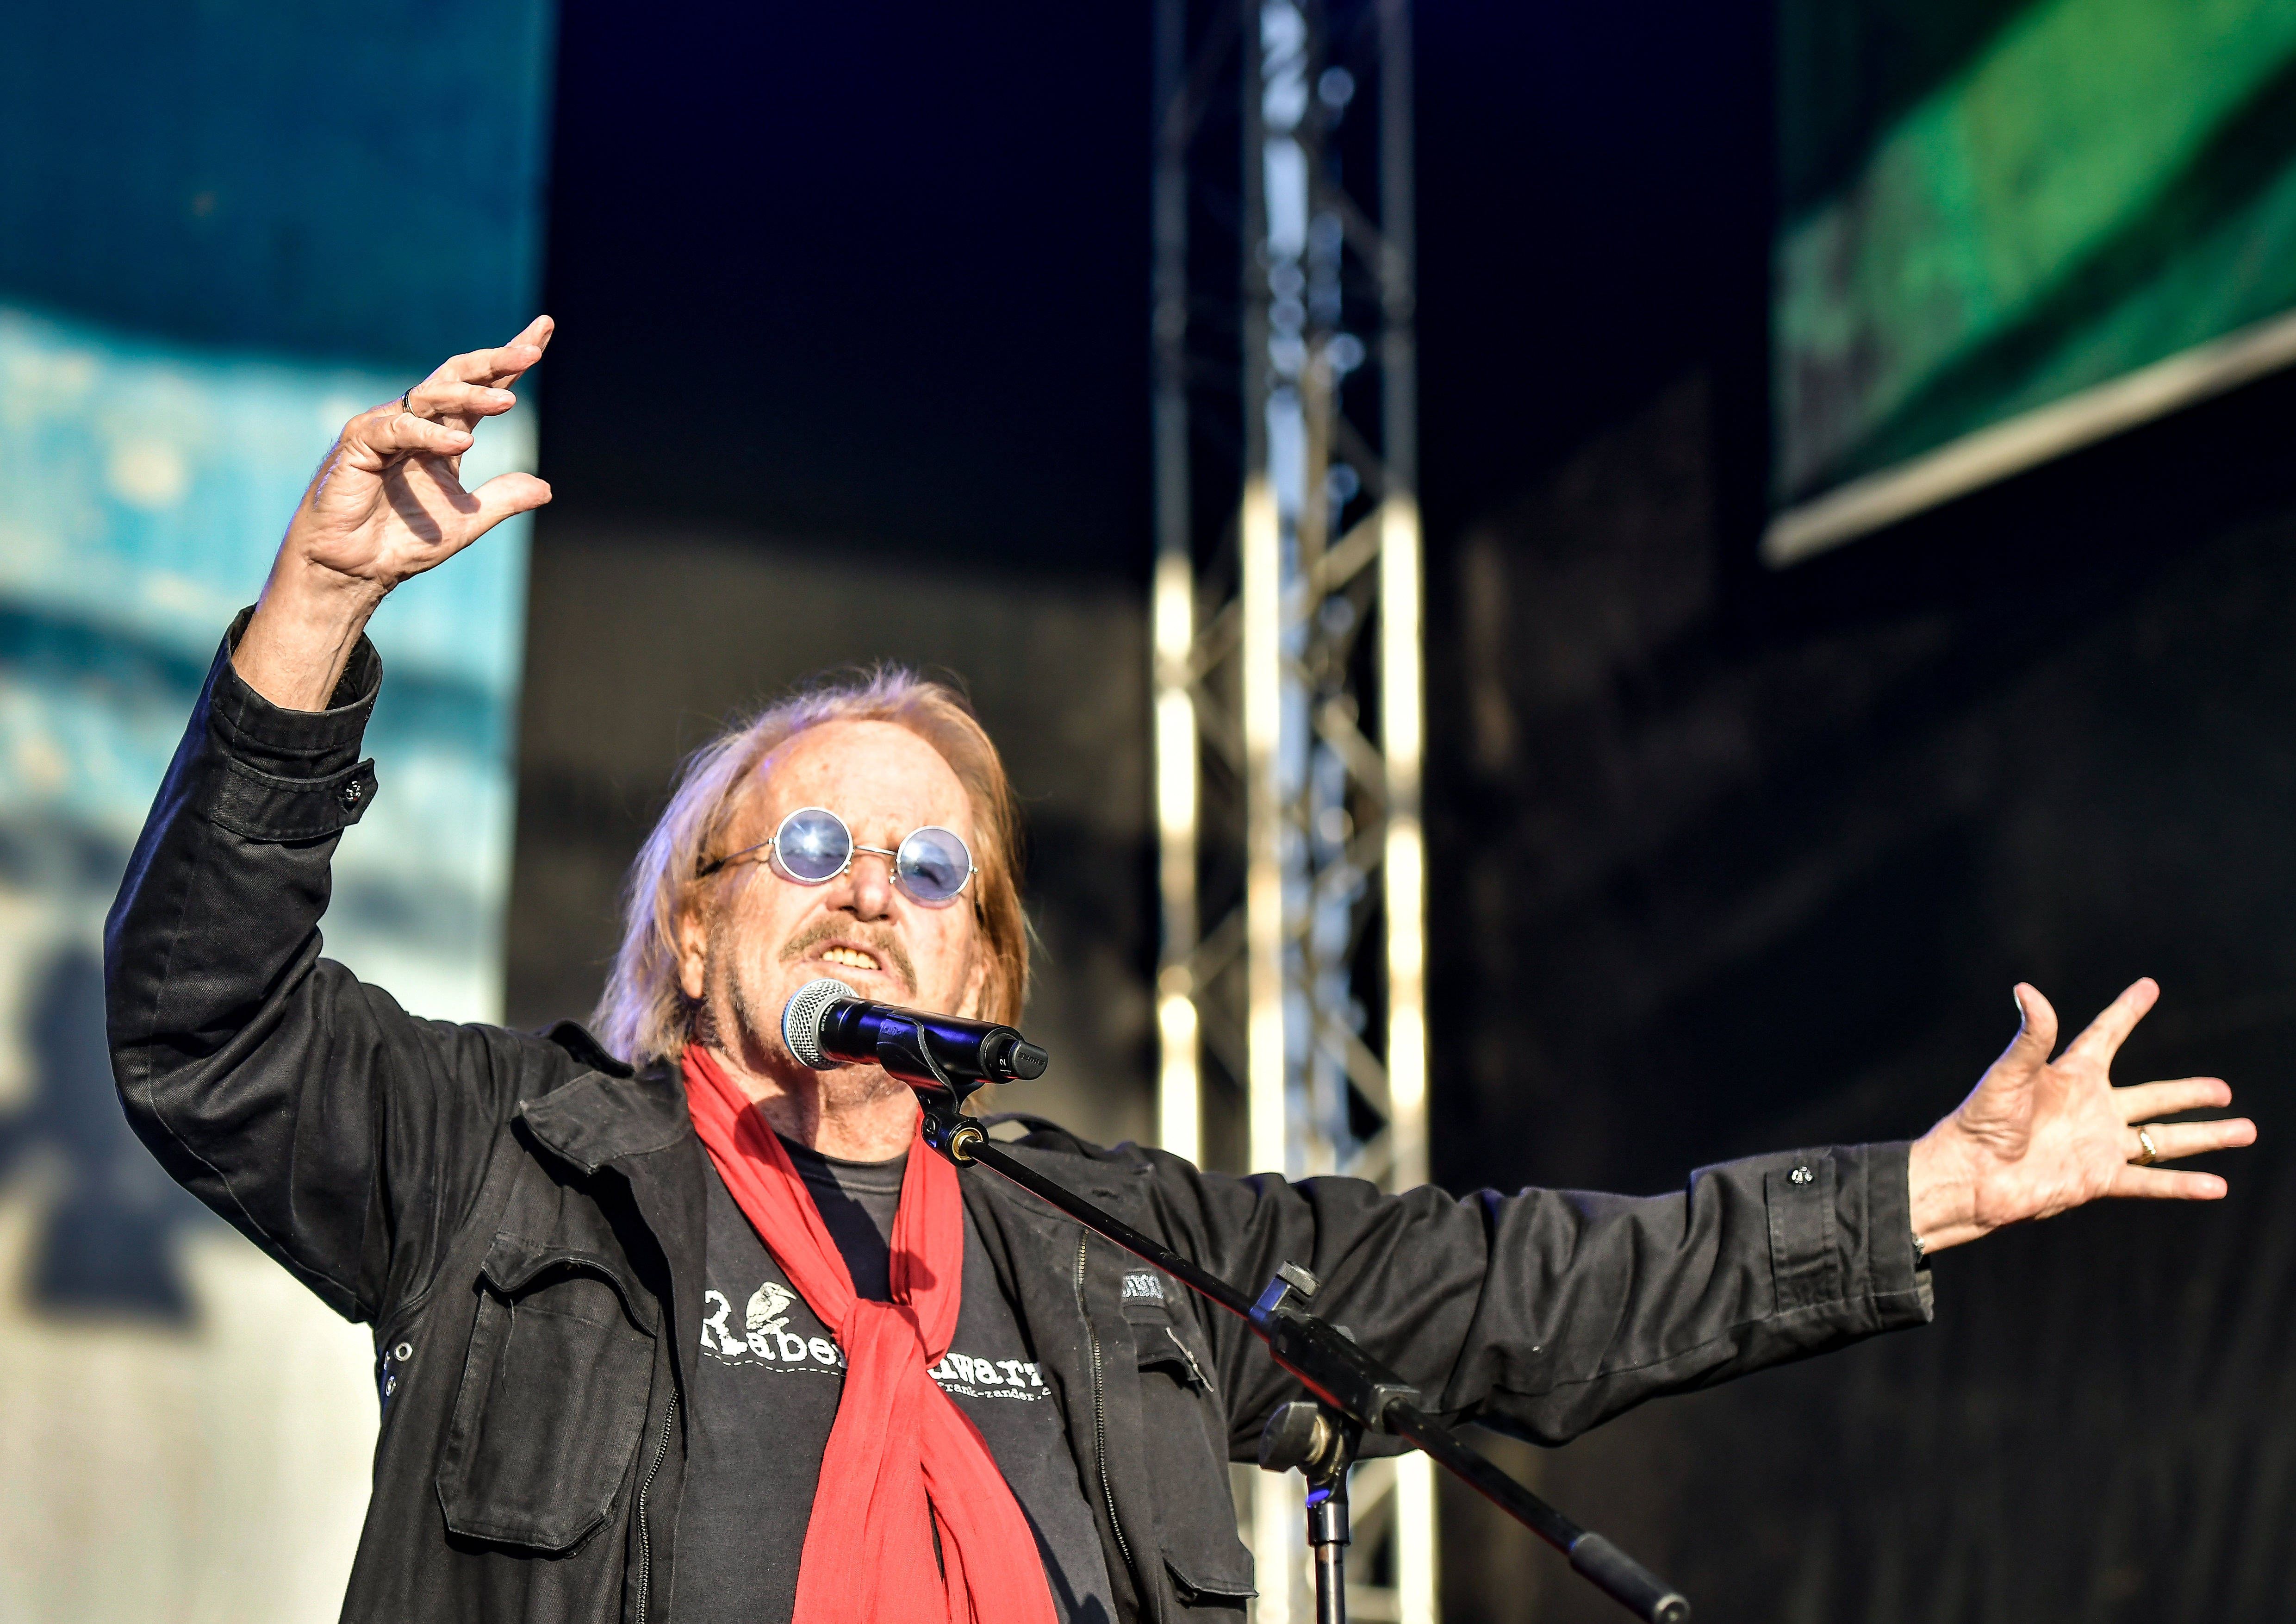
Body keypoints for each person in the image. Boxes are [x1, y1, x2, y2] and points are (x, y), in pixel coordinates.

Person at [106, 317, 2256, 1624]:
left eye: (928, 863)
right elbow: (204, 1026)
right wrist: (310, 623)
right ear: (691, 917)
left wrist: (1921, 1193)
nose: (869, 890)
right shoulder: (502, 1165)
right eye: (815, 845)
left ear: (985, 950)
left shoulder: (1115, 1253)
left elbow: (1520, 1294)